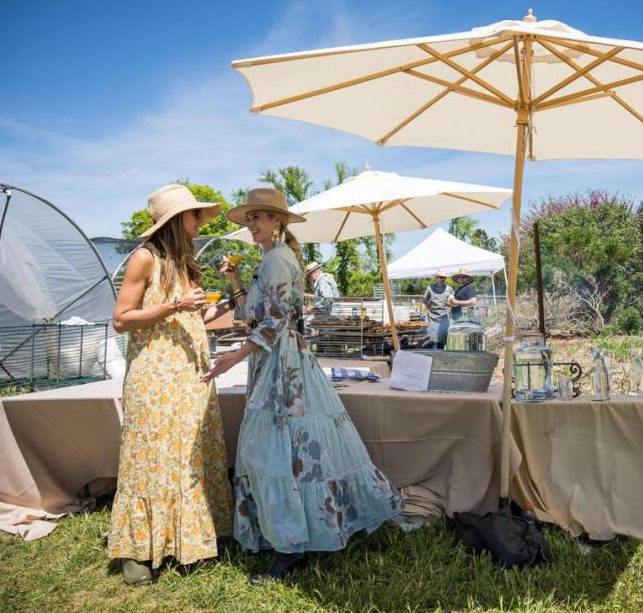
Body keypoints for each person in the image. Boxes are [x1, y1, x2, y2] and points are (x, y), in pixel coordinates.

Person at [203, 188, 402, 584]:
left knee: (272, 451)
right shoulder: (270, 259)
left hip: (284, 364)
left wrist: (234, 357)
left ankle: (291, 548)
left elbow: (275, 322)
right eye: (249, 218)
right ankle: (293, 536)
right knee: (291, 451)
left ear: (277, 222)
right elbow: (250, 313)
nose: (252, 224)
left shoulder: (278, 258)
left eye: (259, 217)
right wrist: (236, 280)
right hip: (275, 360)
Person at [108, 184, 232, 586]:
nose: (200, 221)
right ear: (178, 219)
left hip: (189, 373)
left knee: (188, 455)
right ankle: (137, 551)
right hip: (153, 374)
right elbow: (122, 318)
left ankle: (190, 538)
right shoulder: (144, 258)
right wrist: (173, 306)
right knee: (149, 456)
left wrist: (232, 294)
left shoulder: (187, 262)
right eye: (196, 215)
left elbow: (198, 317)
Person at [422, 271, 453, 349]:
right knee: (434, 341)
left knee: (441, 340)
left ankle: (440, 357)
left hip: (444, 317)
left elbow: (453, 301)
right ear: (436, 278)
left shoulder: (449, 289)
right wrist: (427, 304)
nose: (443, 279)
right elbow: (424, 299)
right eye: (441, 277)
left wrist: (450, 306)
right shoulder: (430, 288)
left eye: (444, 278)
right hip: (433, 318)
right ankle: (434, 357)